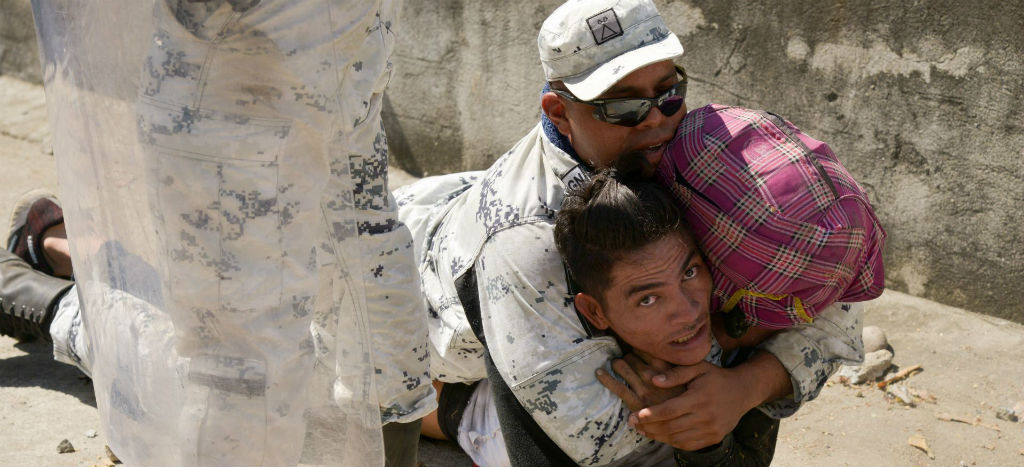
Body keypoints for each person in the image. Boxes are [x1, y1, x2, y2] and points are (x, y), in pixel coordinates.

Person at [396, 0, 864, 465]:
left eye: (668, 93)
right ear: (559, 112)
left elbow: (835, 287)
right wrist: (731, 344)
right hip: (420, 303)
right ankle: (441, 405)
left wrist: (746, 384)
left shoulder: (704, 147)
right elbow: (596, 434)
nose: (656, 119)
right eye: (622, 108)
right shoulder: (522, 240)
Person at [27, 0, 434, 464]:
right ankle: (390, 446)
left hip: (241, 35)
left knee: (238, 341)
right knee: (357, 218)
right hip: (346, 18)